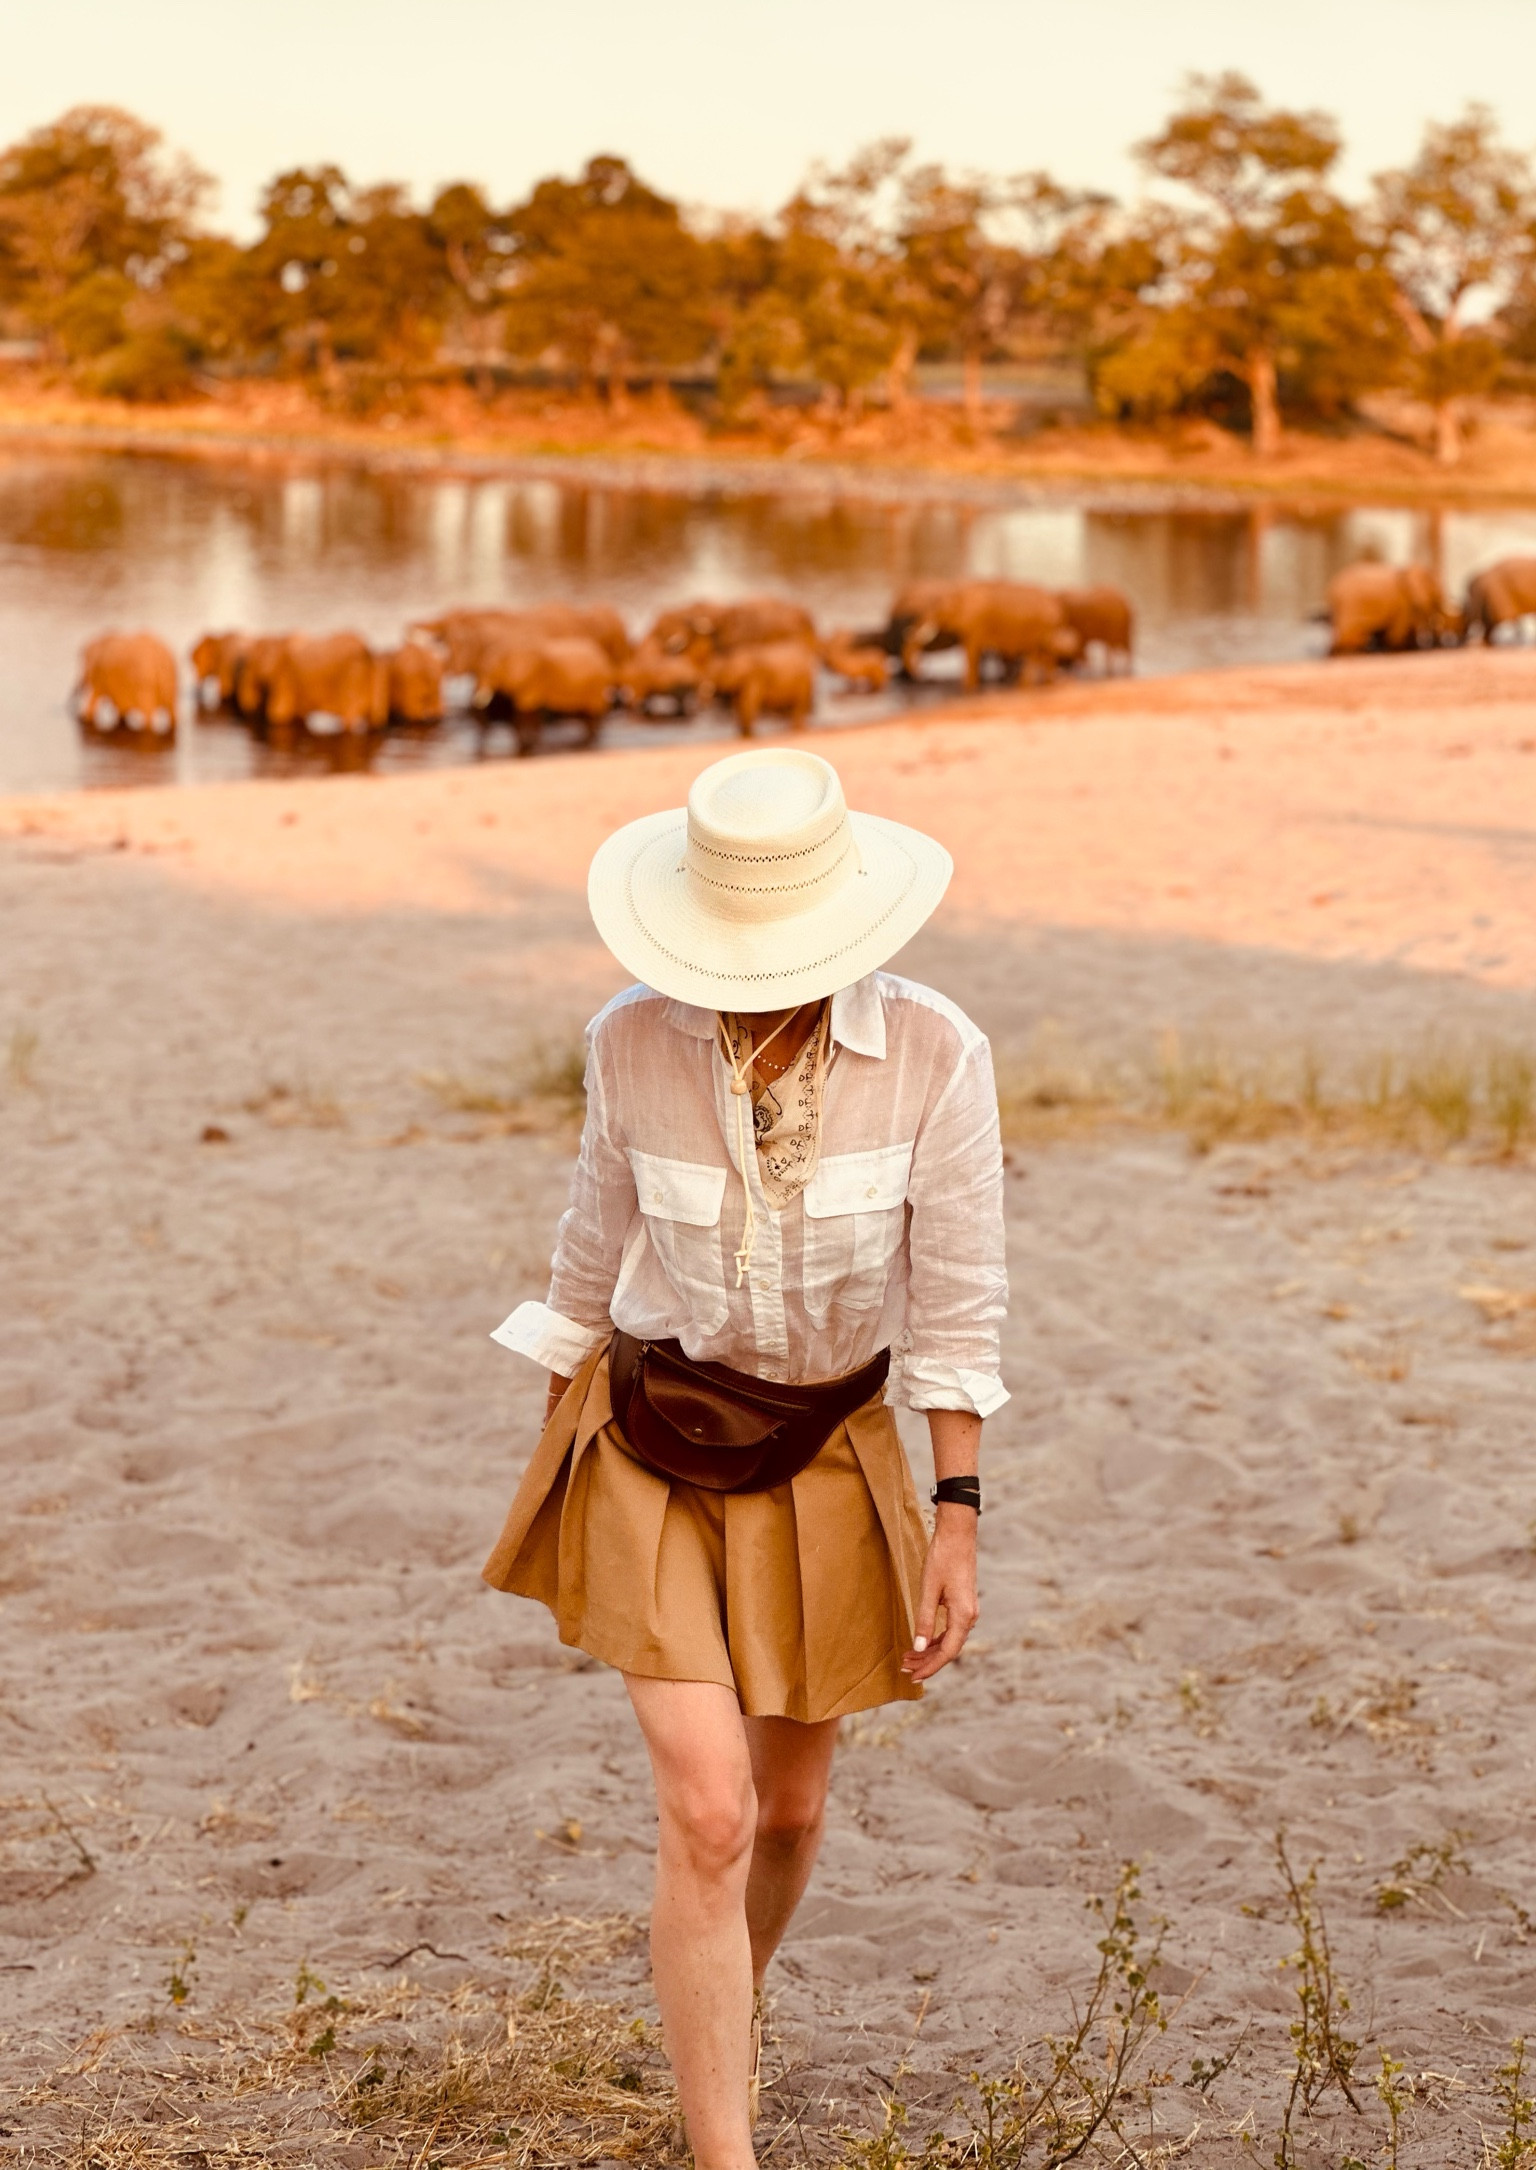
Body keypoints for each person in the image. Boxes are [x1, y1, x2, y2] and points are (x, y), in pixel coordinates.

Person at [482, 746, 1008, 2170]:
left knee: (787, 1807)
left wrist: (955, 1516)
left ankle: (714, 2000)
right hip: (650, 1443)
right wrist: (552, 1445)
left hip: (831, 1453)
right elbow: (590, 1252)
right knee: (708, 1808)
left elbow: (958, 1312)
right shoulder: (628, 1041)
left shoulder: (941, 1059)